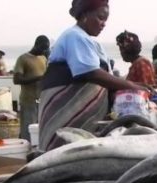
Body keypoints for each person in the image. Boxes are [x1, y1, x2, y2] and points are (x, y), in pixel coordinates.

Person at [38, 0, 147, 152]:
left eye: (105, 20)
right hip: (67, 110)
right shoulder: (74, 36)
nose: (103, 24)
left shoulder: (89, 41)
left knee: (78, 153)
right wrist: (132, 86)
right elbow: (90, 72)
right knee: (64, 151)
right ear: (84, 15)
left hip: (82, 116)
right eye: (100, 18)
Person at [13, 35, 50, 142]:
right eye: (43, 48)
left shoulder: (43, 58)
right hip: (28, 100)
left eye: (46, 49)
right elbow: (17, 80)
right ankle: (27, 150)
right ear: (36, 45)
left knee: (39, 129)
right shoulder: (23, 59)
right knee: (28, 129)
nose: (44, 51)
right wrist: (39, 78)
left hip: (41, 100)